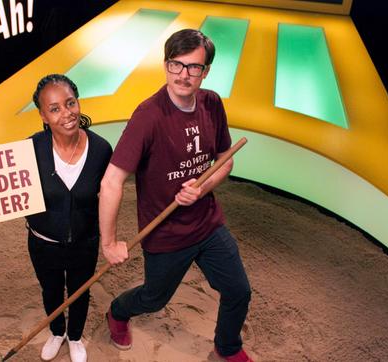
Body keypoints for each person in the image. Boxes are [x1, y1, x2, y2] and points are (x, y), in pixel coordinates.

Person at [99, 29, 253, 362]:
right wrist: (109, 243)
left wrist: (202, 188)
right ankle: (116, 312)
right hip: (165, 233)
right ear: (166, 65)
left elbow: (225, 162)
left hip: (208, 223)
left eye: (194, 67)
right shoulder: (148, 116)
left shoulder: (211, 103)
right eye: (176, 65)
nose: (183, 75)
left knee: (238, 291)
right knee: (154, 300)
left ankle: (227, 347)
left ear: (206, 71)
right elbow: (112, 181)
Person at [26, 74, 112, 362]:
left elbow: (108, 195)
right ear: (43, 115)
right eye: (54, 109)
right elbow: (11, 195)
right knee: (50, 289)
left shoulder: (101, 150)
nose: (66, 114)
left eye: (70, 103)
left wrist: (109, 239)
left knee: (80, 291)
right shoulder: (29, 150)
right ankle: (56, 332)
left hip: (84, 242)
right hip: (42, 242)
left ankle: (75, 337)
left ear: (77, 102)